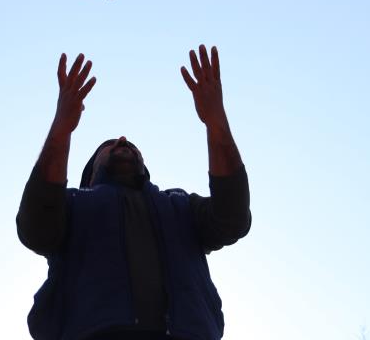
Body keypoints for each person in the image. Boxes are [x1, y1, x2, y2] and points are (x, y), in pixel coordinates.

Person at [17, 45, 252, 340]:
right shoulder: (73, 205)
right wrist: (62, 127)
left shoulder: (179, 207)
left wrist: (216, 122)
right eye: (109, 145)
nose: (123, 141)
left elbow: (232, 217)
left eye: (129, 144)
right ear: (89, 176)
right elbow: (35, 226)